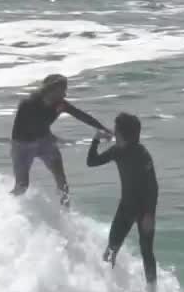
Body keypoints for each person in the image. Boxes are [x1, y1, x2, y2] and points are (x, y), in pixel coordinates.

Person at [10, 73, 112, 206]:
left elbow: (80, 115)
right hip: (23, 145)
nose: (65, 95)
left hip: (45, 142)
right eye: (62, 90)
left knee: (62, 182)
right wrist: (54, 138)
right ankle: (3, 206)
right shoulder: (28, 103)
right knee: (22, 186)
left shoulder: (60, 104)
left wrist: (102, 128)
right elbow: (27, 127)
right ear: (52, 90)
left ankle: (66, 215)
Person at [88, 112, 160, 292]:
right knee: (112, 249)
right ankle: (105, 290)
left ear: (123, 134)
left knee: (146, 252)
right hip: (126, 208)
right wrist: (96, 140)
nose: (114, 132)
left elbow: (153, 186)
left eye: (116, 130)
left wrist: (150, 215)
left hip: (145, 210)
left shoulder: (142, 154)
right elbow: (92, 162)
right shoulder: (117, 151)